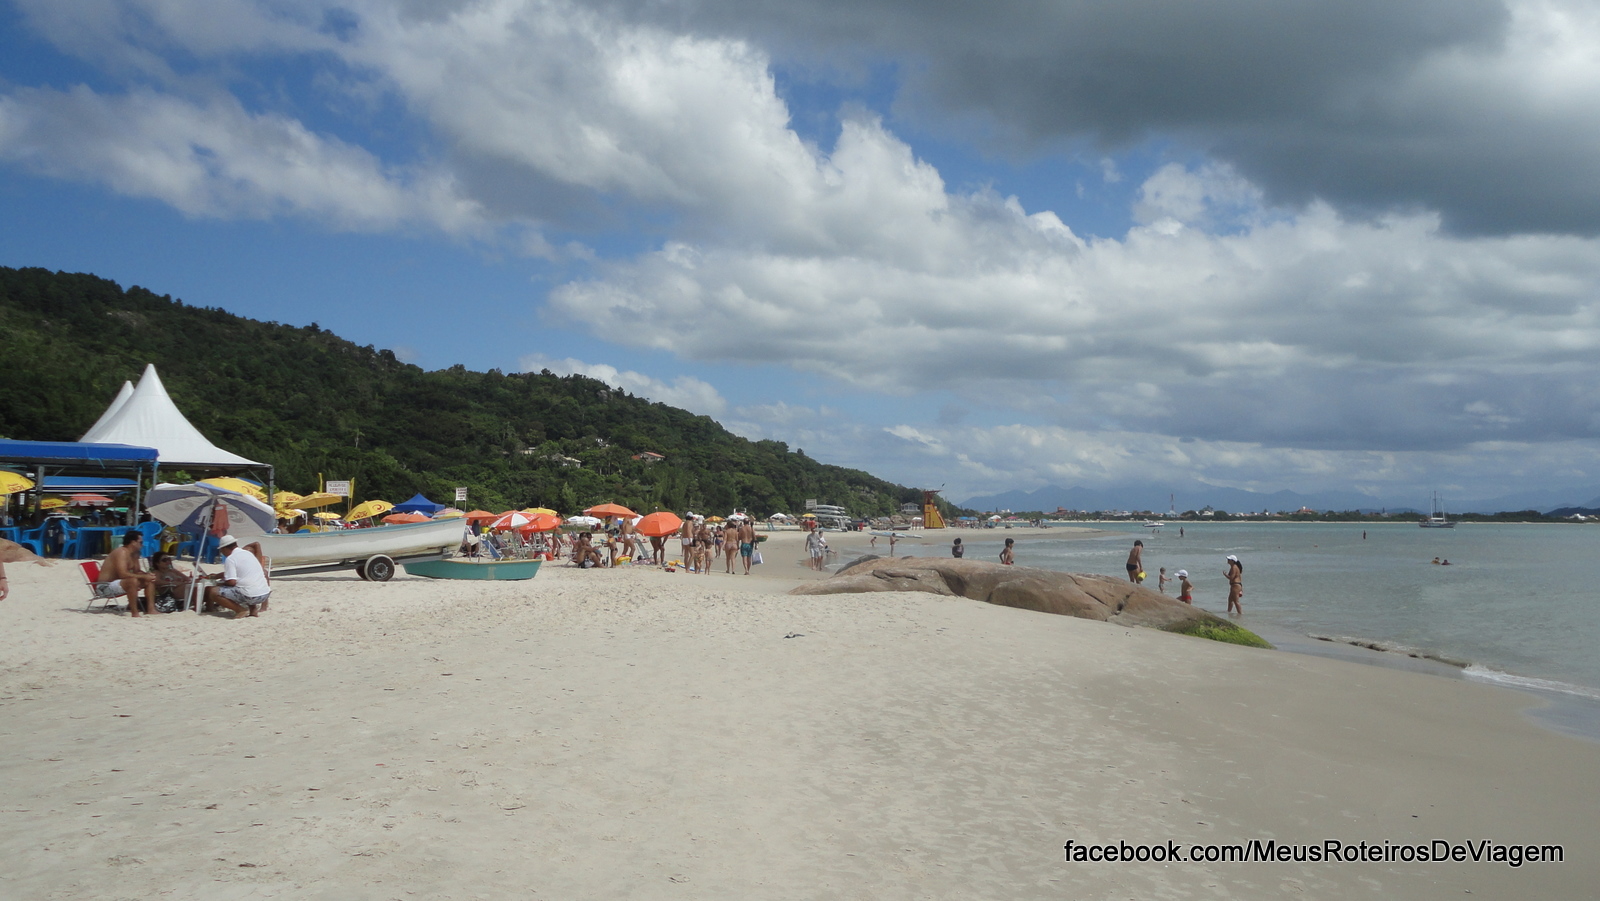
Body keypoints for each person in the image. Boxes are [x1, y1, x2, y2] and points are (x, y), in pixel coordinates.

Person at [204, 534, 272, 618]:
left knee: (213, 592)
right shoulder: (248, 554)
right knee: (246, 584)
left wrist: (220, 584)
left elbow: (232, 582)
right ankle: (253, 610)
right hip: (264, 594)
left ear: (224, 548)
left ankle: (240, 610)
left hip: (251, 596)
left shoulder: (231, 559)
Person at [99, 530, 159, 616]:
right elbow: (122, 574)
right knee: (133, 581)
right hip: (105, 586)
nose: (142, 545)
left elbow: (137, 571)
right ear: (133, 542)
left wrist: (147, 575)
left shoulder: (135, 553)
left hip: (120, 583)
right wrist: (143, 577)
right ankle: (134, 612)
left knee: (150, 580)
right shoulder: (121, 552)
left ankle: (151, 609)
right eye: (140, 542)